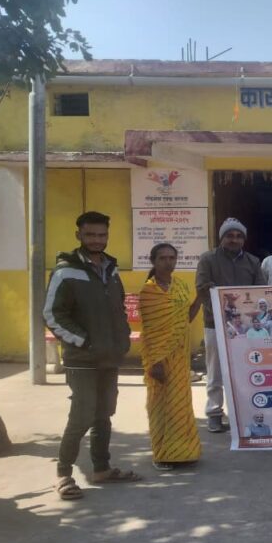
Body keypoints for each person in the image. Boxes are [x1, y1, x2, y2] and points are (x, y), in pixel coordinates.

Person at [43, 211, 139, 500]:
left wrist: (121, 339)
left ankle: (101, 469)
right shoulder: (65, 272)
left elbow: (118, 309)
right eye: (90, 235)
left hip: (109, 357)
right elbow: (52, 315)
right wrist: (85, 342)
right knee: (81, 416)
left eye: (102, 235)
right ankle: (63, 475)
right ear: (79, 236)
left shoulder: (111, 269)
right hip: (82, 360)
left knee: (104, 415)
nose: (97, 240)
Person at [197, 218, 267, 433]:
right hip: (215, 324)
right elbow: (202, 290)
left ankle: (242, 415)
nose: (234, 240)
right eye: (229, 235)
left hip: (245, 327)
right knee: (215, 372)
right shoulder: (208, 259)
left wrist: (246, 317)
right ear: (222, 238)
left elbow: (260, 291)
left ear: (244, 239)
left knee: (246, 370)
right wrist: (222, 315)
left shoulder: (253, 261)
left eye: (238, 236)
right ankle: (214, 413)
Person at [139, 243, 203, 472]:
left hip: (180, 357)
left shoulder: (182, 286)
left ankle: (184, 452)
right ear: (153, 261)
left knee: (180, 404)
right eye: (163, 258)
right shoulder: (149, 292)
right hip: (158, 358)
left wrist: (200, 299)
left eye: (172, 258)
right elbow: (150, 331)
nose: (168, 262)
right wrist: (155, 362)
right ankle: (162, 453)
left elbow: (186, 319)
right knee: (160, 405)